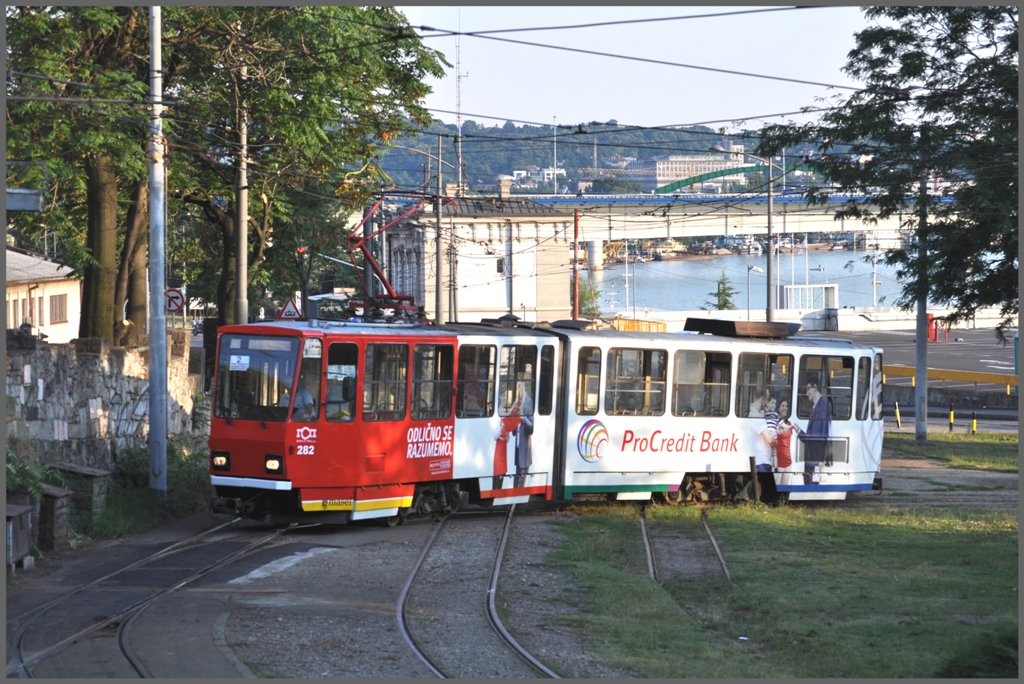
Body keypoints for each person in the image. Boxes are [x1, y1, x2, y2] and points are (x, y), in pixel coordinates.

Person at [803, 381, 832, 484]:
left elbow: (825, 431)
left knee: (812, 485)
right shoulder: (817, 406)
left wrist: (822, 458)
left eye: (808, 389)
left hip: (816, 457)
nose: (806, 393)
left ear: (815, 387)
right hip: (812, 457)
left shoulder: (823, 403)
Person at [513, 379, 534, 488]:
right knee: (516, 485)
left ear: (524, 386)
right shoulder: (518, 401)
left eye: (520, 386)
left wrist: (523, 418)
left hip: (524, 451)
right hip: (517, 450)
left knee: (521, 486)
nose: (518, 389)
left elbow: (531, 427)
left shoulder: (528, 401)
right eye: (517, 387)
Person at [775, 397, 799, 476]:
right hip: (778, 462)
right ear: (778, 408)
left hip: (788, 462)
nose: (785, 408)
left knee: (786, 488)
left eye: (786, 406)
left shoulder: (789, 423)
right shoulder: (775, 423)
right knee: (777, 487)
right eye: (782, 406)